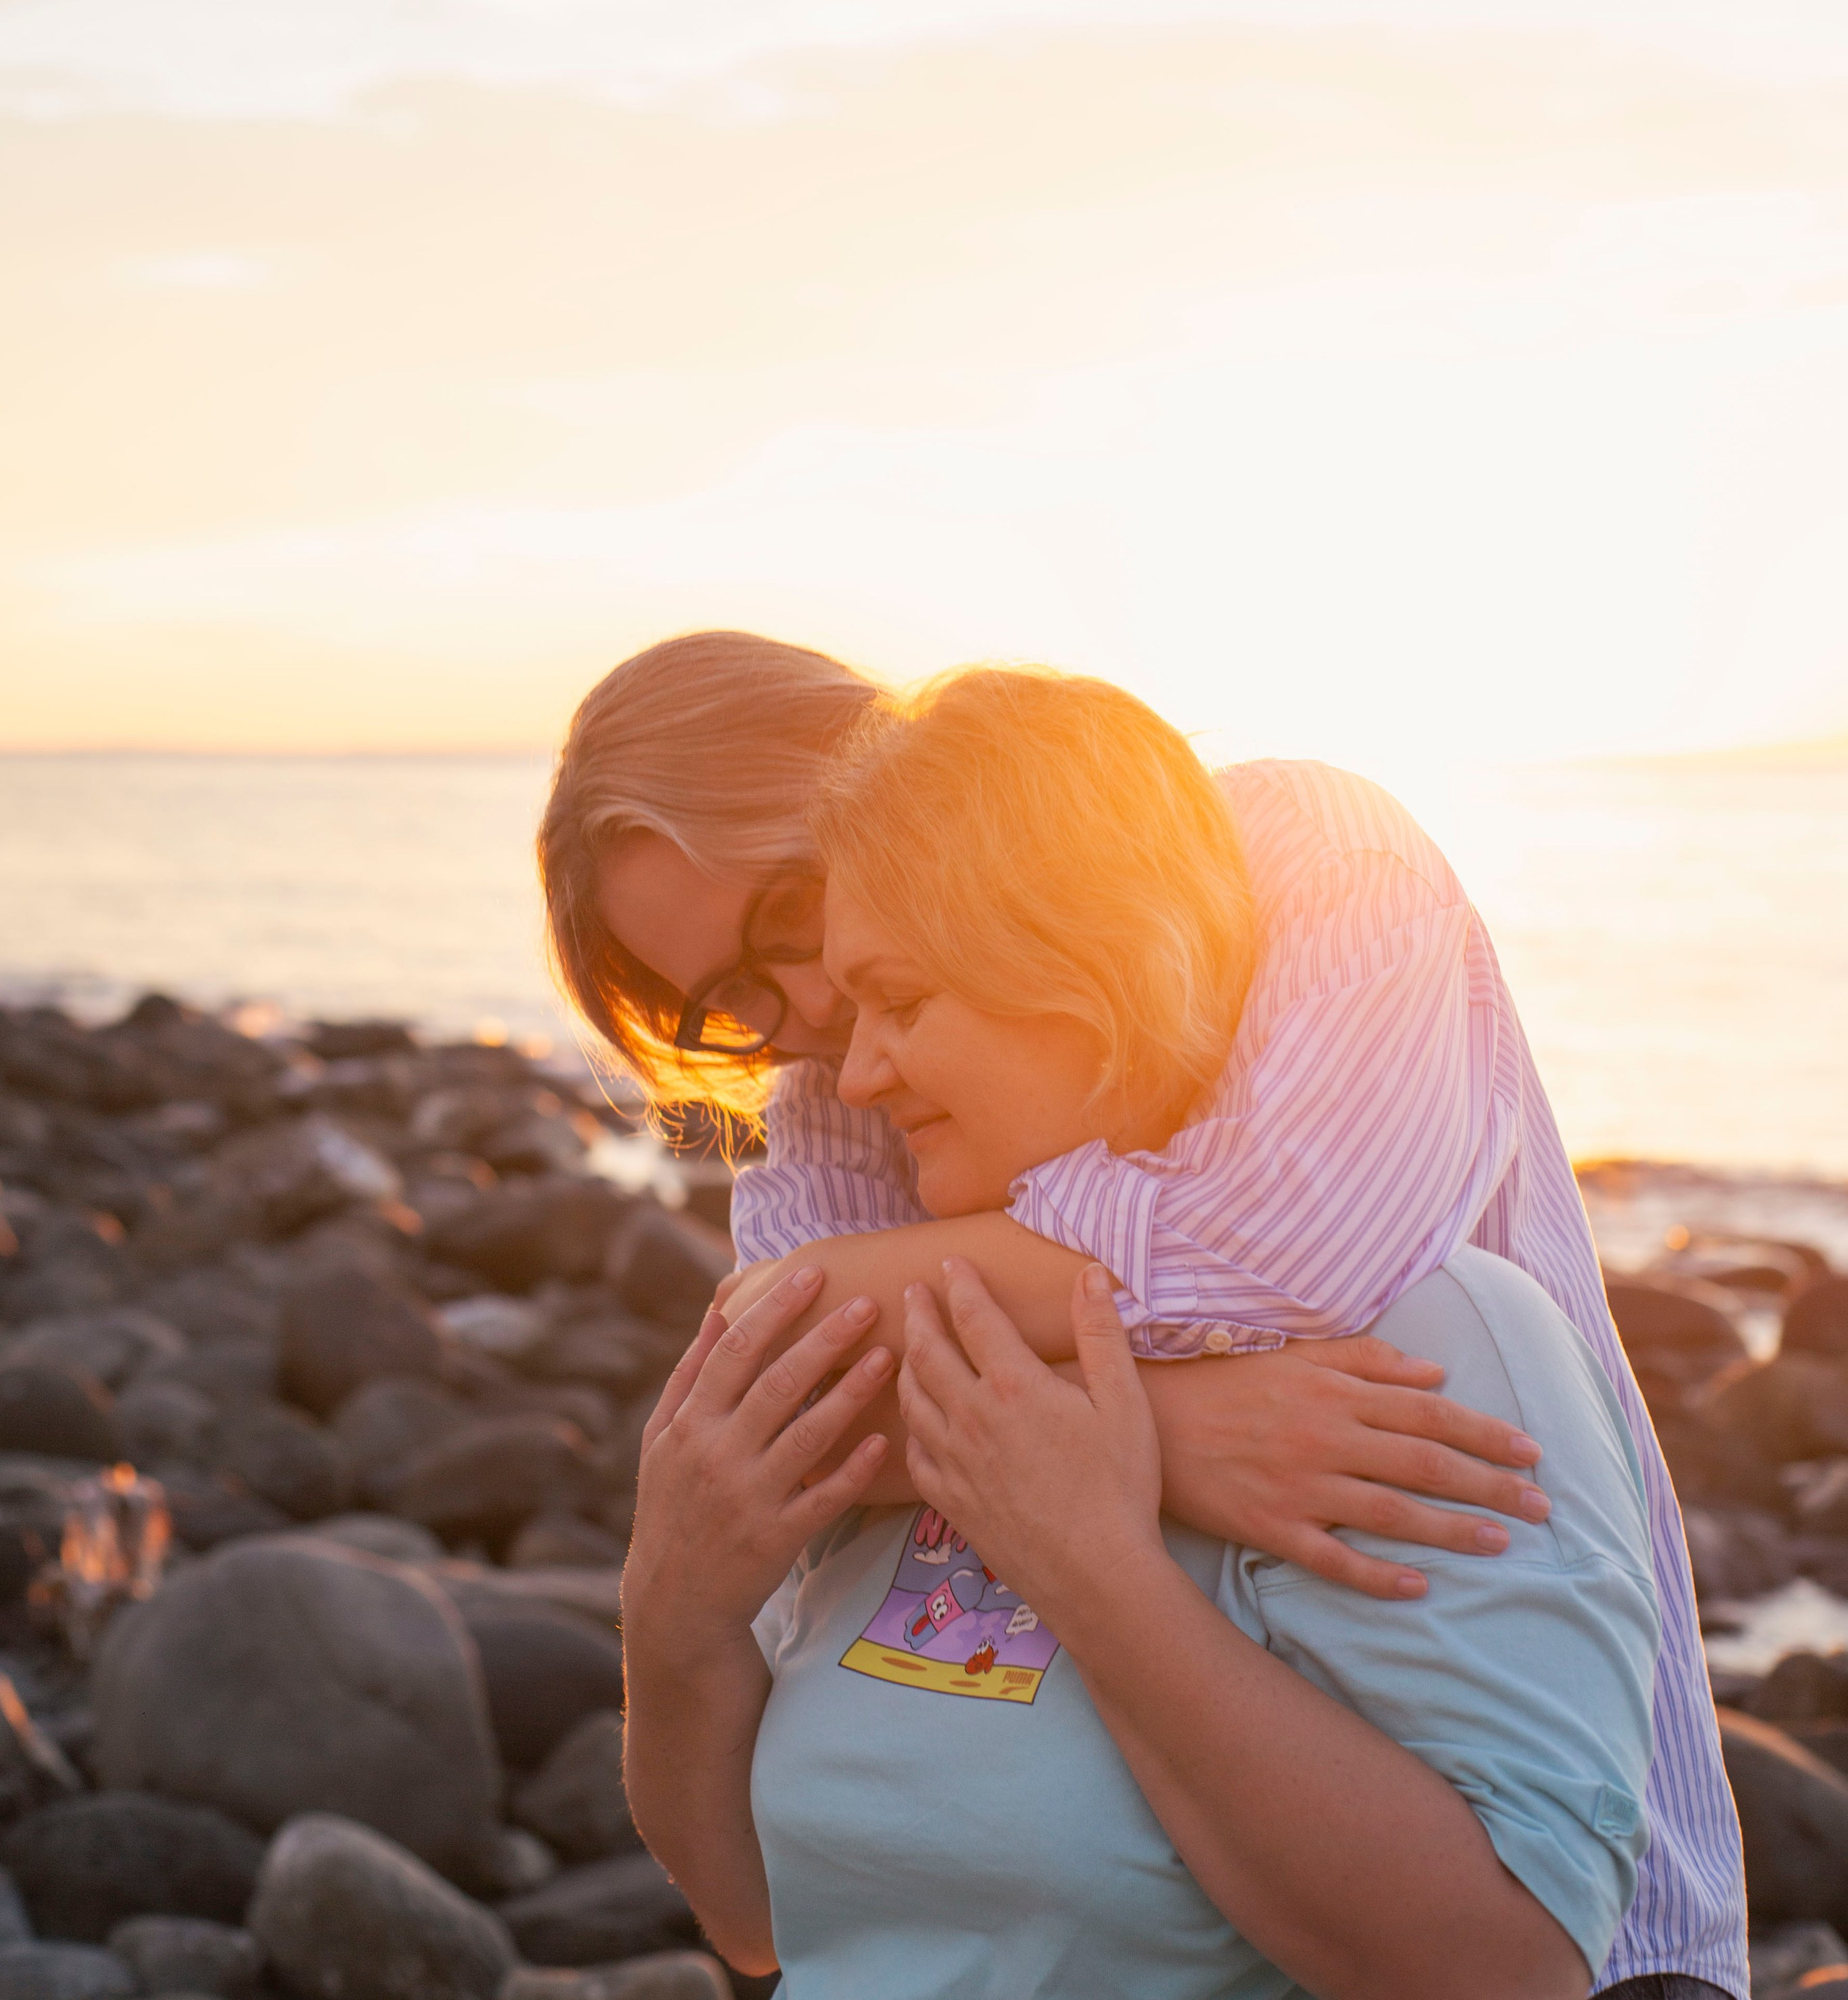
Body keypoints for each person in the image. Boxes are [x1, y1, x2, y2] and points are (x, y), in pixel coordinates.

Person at [541, 634, 1746, 1999]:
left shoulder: (1306, 867)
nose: (818, 1019)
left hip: (1579, 1891)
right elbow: (785, 1369)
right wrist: (1158, 1432)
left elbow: (1296, 1246)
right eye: (735, 1004)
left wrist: (1031, 1440)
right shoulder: (847, 1089)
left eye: (790, 919)